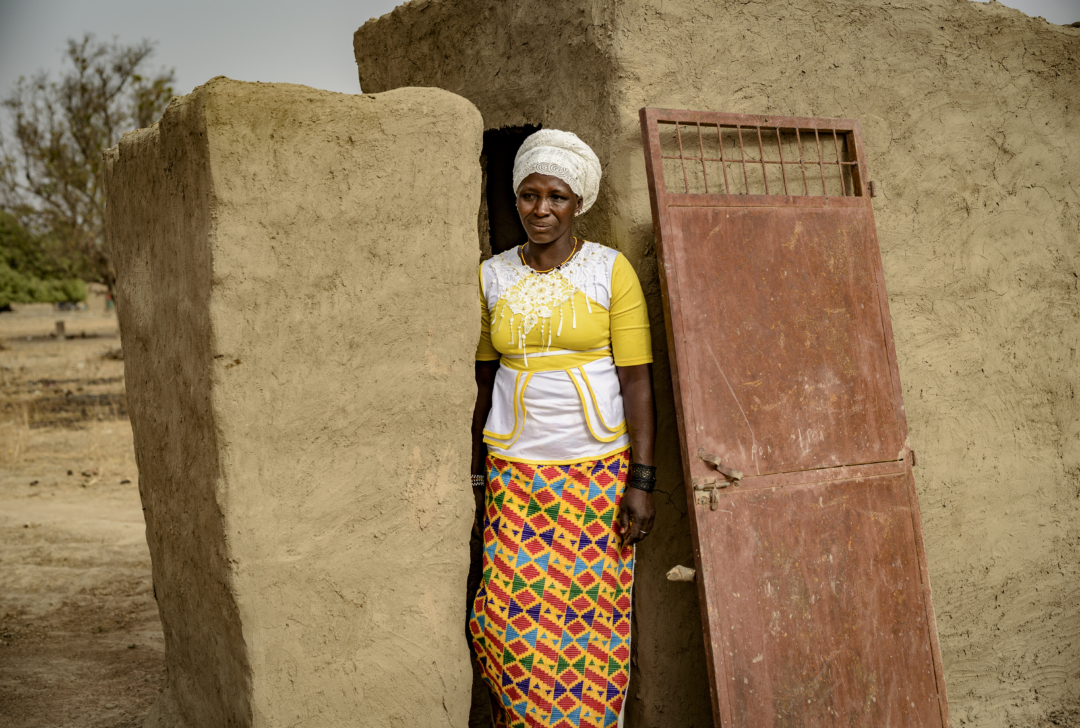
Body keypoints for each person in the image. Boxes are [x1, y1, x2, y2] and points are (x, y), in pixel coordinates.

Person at [468, 129, 657, 728]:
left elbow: (637, 382)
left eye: (557, 197)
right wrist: (476, 471)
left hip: (596, 475)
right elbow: (480, 379)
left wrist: (643, 481)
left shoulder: (610, 270)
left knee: (587, 625)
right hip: (514, 475)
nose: (541, 210)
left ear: (579, 204)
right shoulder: (492, 276)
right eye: (529, 195)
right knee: (503, 624)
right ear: (516, 198)